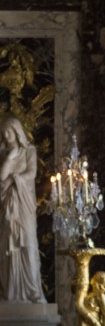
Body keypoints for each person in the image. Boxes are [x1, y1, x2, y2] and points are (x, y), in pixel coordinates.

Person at [0, 113, 45, 303]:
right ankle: (10, 292)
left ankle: (34, 291)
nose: (6, 135)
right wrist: (10, 157)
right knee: (6, 249)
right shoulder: (3, 154)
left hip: (24, 204)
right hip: (7, 205)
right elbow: (1, 178)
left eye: (9, 131)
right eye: (3, 132)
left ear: (17, 131)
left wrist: (15, 178)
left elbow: (31, 173)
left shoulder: (29, 151)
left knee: (28, 244)